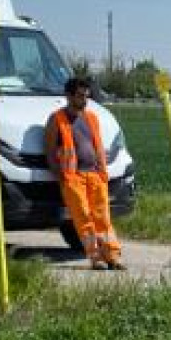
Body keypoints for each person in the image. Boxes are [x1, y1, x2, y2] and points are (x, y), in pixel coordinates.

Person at [46, 77, 124, 270]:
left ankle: (112, 256)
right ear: (69, 96)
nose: (84, 100)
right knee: (83, 217)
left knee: (103, 218)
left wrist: (101, 171)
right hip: (73, 176)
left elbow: (97, 146)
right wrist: (60, 175)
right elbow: (49, 151)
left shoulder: (92, 118)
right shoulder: (56, 119)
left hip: (96, 175)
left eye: (86, 96)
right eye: (80, 96)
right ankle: (95, 257)